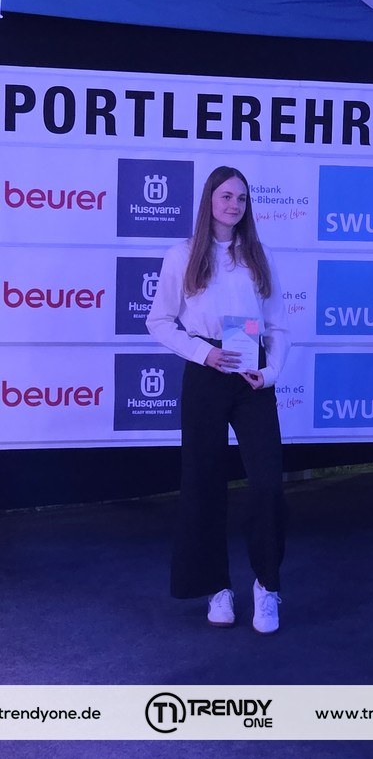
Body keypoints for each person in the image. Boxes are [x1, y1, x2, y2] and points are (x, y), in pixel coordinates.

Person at [146, 166, 291, 634]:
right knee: (203, 482)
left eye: (242, 198)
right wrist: (202, 352)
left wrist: (269, 373)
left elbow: (278, 326)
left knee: (267, 482)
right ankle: (217, 587)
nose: (234, 205)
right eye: (226, 196)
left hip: (252, 378)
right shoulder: (182, 255)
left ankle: (267, 585)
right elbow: (159, 321)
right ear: (209, 199)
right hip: (206, 371)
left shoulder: (257, 256)